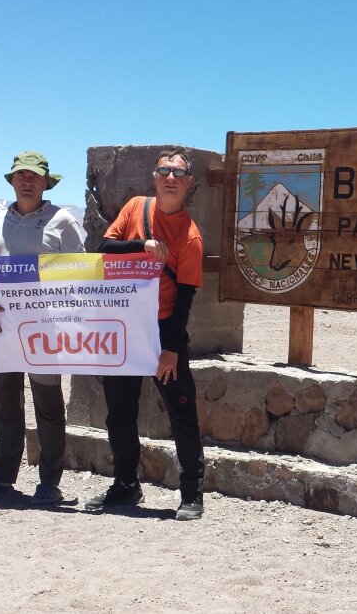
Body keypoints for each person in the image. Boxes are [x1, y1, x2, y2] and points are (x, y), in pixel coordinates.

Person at [85, 147, 206, 520]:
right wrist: (143, 245)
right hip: (124, 328)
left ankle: (191, 493)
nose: (170, 178)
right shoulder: (136, 207)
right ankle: (125, 485)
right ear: (155, 177)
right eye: (164, 171)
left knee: (181, 412)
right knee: (119, 413)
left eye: (178, 173)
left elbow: (185, 296)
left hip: (162, 331)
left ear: (188, 184)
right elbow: (103, 248)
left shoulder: (190, 236)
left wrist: (170, 348)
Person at [0, 152, 84, 505]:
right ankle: (2, 478)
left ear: (46, 182)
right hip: (3, 327)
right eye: (20, 176)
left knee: (47, 405)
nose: (26, 181)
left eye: (34, 176)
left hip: (46, 329)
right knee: (5, 403)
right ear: (12, 181)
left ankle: (50, 483)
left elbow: (79, 274)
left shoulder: (62, 221)